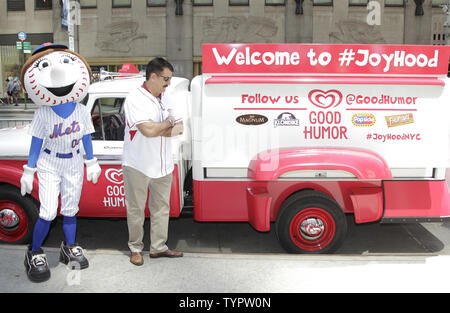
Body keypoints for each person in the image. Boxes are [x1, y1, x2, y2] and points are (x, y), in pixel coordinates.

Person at [20, 43, 101, 282]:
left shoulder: (82, 110)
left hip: (73, 162)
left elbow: (86, 136)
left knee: (70, 209)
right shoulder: (43, 112)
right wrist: (29, 169)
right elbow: (36, 143)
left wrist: (92, 161)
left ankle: (69, 247)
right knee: (47, 211)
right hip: (49, 162)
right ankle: (34, 252)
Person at [122, 57, 184, 266]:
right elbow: (147, 131)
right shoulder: (135, 98)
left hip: (164, 164)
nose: (168, 84)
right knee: (136, 209)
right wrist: (167, 123)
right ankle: (135, 248)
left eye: (170, 80)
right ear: (153, 76)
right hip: (138, 164)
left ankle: (158, 247)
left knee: (161, 208)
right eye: (165, 79)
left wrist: (162, 127)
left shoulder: (167, 97)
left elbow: (180, 128)